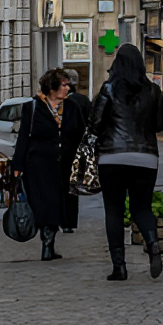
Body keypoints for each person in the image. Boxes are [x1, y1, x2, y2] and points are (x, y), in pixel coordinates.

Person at [88, 42, 163, 282]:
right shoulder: (153, 91)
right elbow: (160, 125)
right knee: (141, 207)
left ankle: (119, 267)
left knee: (113, 210)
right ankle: (153, 244)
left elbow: (95, 123)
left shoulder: (109, 89)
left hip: (112, 156)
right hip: (145, 157)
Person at [12, 68, 71, 260]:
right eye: (64, 84)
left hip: (60, 163)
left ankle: (49, 244)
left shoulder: (70, 107)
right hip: (36, 163)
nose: (68, 88)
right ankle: (47, 244)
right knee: (42, 203)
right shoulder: (34, 107)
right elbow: (23, 137)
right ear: (52, 87)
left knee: (56, 203)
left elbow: (80, 132)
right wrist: (17, 166)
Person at [57, 66, 90, 233]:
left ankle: (58, 220)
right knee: (71, 187)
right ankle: (69, 221)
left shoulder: (62, 103)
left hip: (63, 150)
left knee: (60, 186)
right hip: (76, 150)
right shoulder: (83, 101)